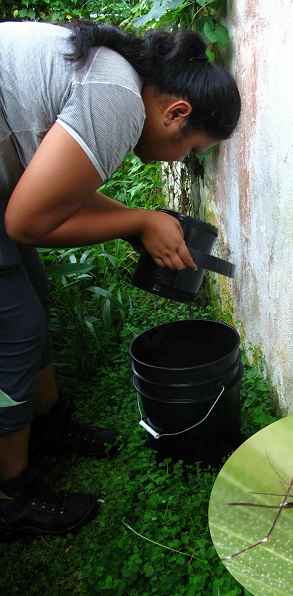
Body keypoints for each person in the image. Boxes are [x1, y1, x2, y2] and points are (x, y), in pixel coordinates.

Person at [0, 20, 241, 538]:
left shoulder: (119, 80)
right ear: (176, 113)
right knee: (14, 327)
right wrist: (135, 221)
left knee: (32, 299)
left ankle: (48, 426)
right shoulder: (118, 101)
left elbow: (59, 191)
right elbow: (27, 223)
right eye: (191, 149)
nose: (183, 159)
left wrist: (134, 223)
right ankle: (9, 495)